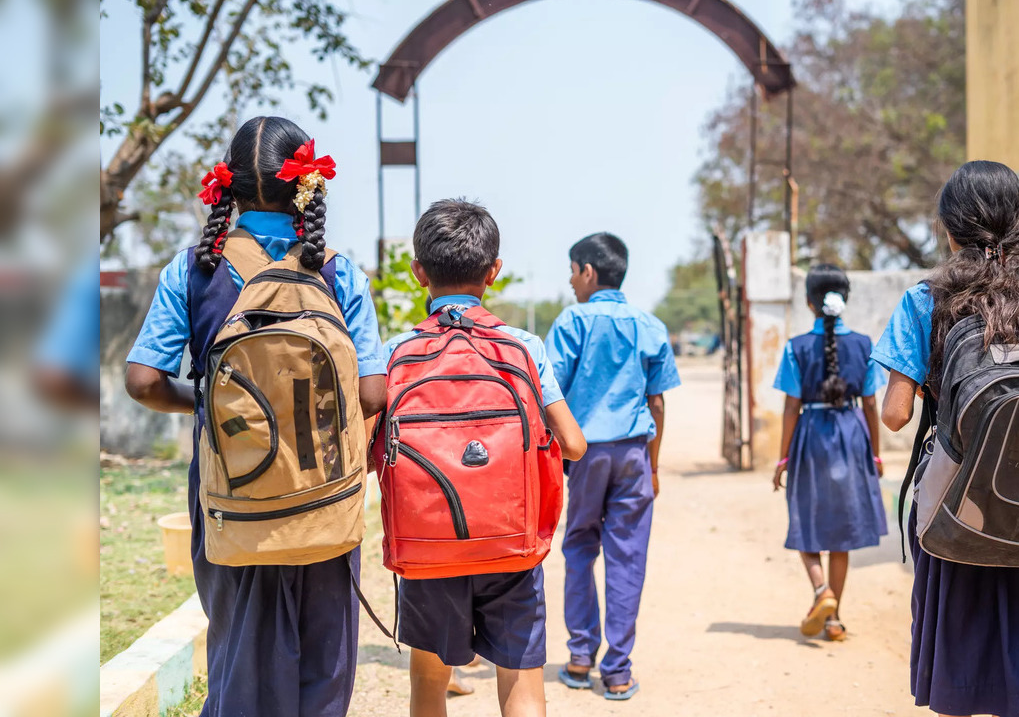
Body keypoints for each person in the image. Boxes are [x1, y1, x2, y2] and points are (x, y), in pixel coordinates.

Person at [124, 116, 387, 716]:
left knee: (239, 657)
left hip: (229, 495)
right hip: (323, 495)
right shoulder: (337, 271)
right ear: (308, 188)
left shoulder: (193, 269)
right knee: (324, 664)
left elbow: (142, 381)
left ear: (229, 185)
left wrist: (213, 405)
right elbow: (372, 395)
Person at [871, 160, 1019, 717]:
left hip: (959, 506)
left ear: (950, 230)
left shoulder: (924, 302)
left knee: (961, 653)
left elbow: (895, 416)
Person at [381, 198, 587, 717]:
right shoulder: (524, 347)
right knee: (521, 682)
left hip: (426, 550)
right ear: (494, 272)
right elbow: (575, 444)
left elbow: (367, 454)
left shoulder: (395, 352)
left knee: (429, 685)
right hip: (511, 545)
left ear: (417, 272)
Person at [545, 232, 681, 700]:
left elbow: (549, 394)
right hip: (634, 454)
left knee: (580, 547)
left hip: (585, 455)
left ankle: (581, 658)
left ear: (589, 272)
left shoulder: (571, 322)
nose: (570, 280)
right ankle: (618, 670)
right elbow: (658, 404)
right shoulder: (650, 325)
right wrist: (654, 466)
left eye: (572, 270)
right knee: (628, 556)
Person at [771, 264, 887, 641]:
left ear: (809, 302)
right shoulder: (865, 345)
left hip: (810, 437)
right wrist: (876, 454)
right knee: (842, 530)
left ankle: (822, 592)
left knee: (806, 520)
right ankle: (833, 619)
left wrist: (783, 458)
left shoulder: (796, 347)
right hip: (853, 436)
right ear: (845, 300)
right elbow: (870, 404)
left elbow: (791, 407)